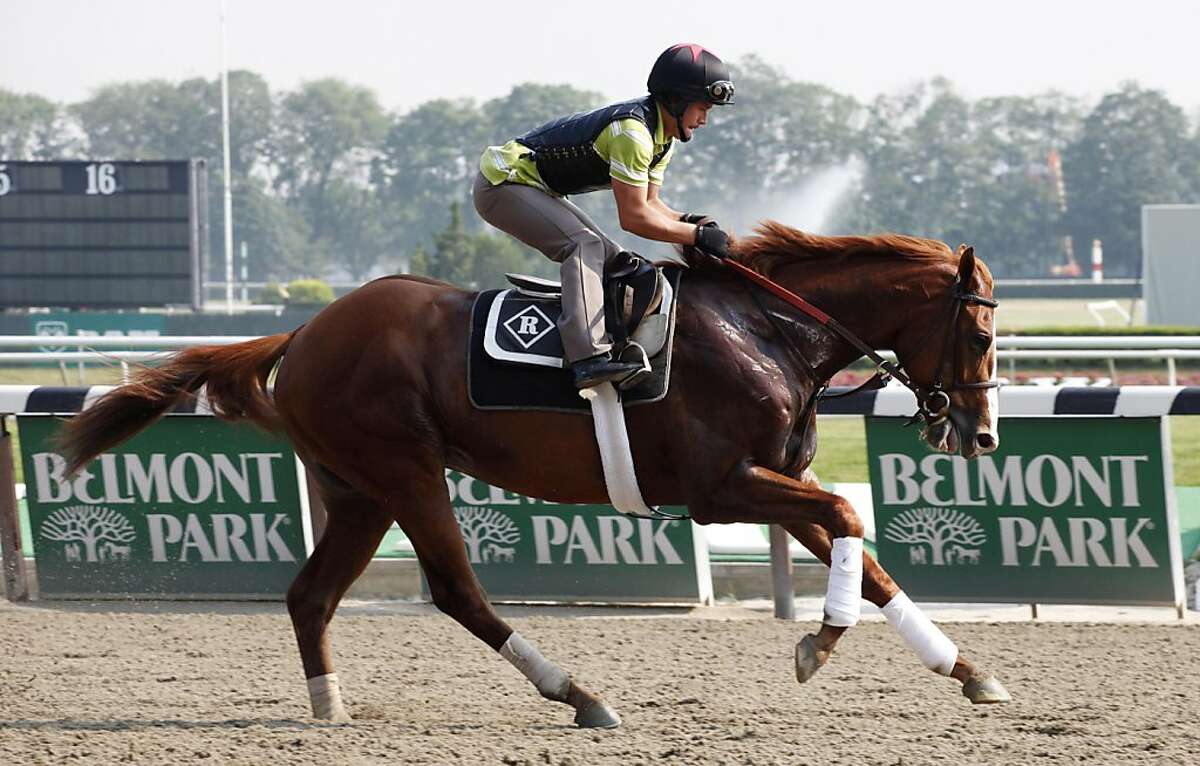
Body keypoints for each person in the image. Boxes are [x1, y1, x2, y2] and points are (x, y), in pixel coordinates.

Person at [473, 43, 735, 389]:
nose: (704, 119)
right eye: (702, 108)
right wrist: (697, 238)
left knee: (622, 262)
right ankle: (587, 359)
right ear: (676, 99)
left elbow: (652, 203)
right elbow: (635, 218)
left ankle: (619, 345)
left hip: (537, 189)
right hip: (502, 183)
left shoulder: (663, 139)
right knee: (585, 245)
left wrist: (689, 220)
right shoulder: (633, 134)